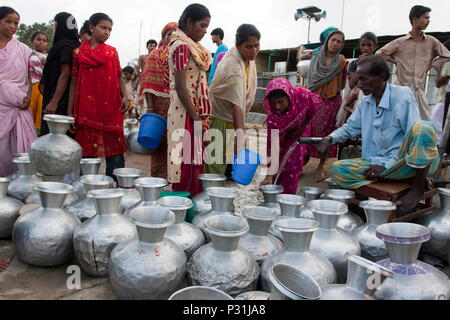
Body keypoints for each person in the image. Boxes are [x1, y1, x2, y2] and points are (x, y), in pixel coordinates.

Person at [317, 56, 439, 214]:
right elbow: (349, 128)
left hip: (406, 163)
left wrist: (386, 167)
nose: (359, 85)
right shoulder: (365, 103)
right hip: (376, 166)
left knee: (423, 128)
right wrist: (329, 138)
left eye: (364, 79)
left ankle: (417, 187)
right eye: (358, 79)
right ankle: (400, 179)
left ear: (381, 76)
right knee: (339, 170)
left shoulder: (403, 95)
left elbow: (414, 136)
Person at [68, 13, 132, 181]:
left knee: (115, 151)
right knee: (88, 153)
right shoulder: (78, 53)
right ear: (92, 27)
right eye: (103, 27)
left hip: (111, 108)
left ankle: (117, 188)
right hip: (86, 110)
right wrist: (70, 111)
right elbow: (73, 82)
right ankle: (87, 189)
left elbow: (119, 76)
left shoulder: (112, 52)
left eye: (110, 29)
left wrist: (124, 97)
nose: (107, 32)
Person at [167, 3, 212, 196]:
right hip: (185, 111)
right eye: (202, 25)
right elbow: (180, 87)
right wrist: (196, 118)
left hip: (190, 110)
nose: (204, 31)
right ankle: (184, 208)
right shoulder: (182, 46)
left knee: (194, 160)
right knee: (186, 163)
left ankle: (191, 206)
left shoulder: (193, 48)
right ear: (188, 22)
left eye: (207, 27)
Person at [376, 5, 450, 121]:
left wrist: (432, 64)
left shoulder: (431, 41)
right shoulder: (400, 42)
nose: (428, 21)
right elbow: (379, 54)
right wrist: (396, 62)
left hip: (418, 90)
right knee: (395, 122)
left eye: (428, 18)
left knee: (424, 124)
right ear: (415, 20)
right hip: (400, 88)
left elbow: (447, 55)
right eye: (425, 18)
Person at [204, 24, 260, 177]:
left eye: (257, 46)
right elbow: (237, 105)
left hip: (232, 119)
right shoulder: (234, 67)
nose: (254, 50)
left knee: (225, 161)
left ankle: (218, 197)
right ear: (238, 46)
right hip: (220, 118)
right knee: (215, 164)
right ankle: (208, 197)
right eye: (249, 47)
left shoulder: (249, 60)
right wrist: (241, 137)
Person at [261, 79, 322, 194]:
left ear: (289, 96)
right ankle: (275, 192)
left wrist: (301, 129)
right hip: (283, 135)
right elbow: (273, 146)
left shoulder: (302, 96)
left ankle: (288, 196)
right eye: (273, 103)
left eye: (280, 102)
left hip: (301, 130)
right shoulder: (273, 119)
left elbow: (312, 111)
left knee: (292, 164)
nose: (277, 107)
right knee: (278, 162)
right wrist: (269, 176)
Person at [137, 22, 178, 179]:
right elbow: (147, 81)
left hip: (176, 105)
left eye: (175, 34)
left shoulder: (179, 54)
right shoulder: (155, 55)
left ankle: (172, 177)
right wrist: (151, 108)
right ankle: (157, 178)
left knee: (174, 141)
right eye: (169, 34)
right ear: (163, 36)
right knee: (159, 142)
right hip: (159, 106)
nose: (172, 37)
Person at [306, 29, 348, 182]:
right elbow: (310, 79)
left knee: (327, 134)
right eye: (333, 40)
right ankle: (303, 161)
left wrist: (330, 90)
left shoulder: (342, 62)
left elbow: (343, 83)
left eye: (339, 41)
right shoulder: (316, 57)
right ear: (327, 41)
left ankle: (321, 166)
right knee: (309, 130)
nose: (336, 44)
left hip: (332, 102)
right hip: (314, 99)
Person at [0, 6, 37, 176]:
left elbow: (29, 76)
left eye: (16, 23)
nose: (13, 26)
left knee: (17, 149)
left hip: (18, 106)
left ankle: (17, 185)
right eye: (8, 21)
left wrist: (28, 96)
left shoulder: (23, 50)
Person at [40, 12, 80, 136]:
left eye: (55, 24)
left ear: (60, 26)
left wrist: (54, 101)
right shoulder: (73, 45)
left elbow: (65, 74)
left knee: (54, 138)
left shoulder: (65, 46)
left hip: (60, 99)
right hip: (66, 98)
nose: (53, 28)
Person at [28, 31, 48, 133]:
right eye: (38, 39)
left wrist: (47, 65)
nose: (41, 42)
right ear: (32, 41)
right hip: (31, 89)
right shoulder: (27, 55)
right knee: (30, 114)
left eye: (44, 41)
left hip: (43, 90)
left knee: (40, 114)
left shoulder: (49, 57)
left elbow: (51, 74)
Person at [431, 40, 450, 145]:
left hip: (444, 101)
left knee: (437, 126)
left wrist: (439, 69)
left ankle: (439, 148)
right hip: (442, 100)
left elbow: (438, 83)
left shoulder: (448, 64)